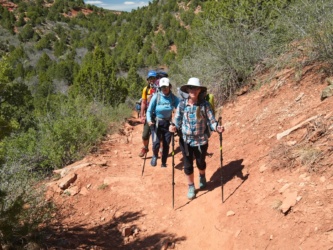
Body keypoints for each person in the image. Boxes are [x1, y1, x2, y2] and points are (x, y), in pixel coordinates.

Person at [169, 77, 224, 199]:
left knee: (201, 163)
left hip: (201, 141)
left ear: (199, 90)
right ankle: (191, 186)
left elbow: (211, 121)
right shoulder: (182, 105)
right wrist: (172, 127)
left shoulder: (205, 105)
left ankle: (202, 175)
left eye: (195, 88)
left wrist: (217, 127)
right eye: (191, 88)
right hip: (186, 140)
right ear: (187, 89)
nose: (193, 90)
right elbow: (176, 121)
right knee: (187, 165)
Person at [146, 77, 179, 167]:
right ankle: (155, 156)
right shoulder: (156, 97)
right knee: (156, 143)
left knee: (166, 144)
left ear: (170, 87)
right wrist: (149, 120)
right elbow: (149, 111)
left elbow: (180, 108)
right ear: (160, 88)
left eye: (166, 86)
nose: (164, 88)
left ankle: (163, 162)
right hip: (156, 123)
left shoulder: (173, 98)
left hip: (168, 123)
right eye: (162, 87)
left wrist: (176, 122)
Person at [138, 70, 157, 157]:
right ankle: (145, 147)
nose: (152, 80)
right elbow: (143, 102)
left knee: (159, 134)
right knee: (145, 134)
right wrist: (142, 115)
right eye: (150, 78)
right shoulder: (146, 90)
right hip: (148, 115)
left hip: (158, 115)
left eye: (153, 78)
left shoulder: (160, 88)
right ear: (148, 80)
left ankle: (160, 150)